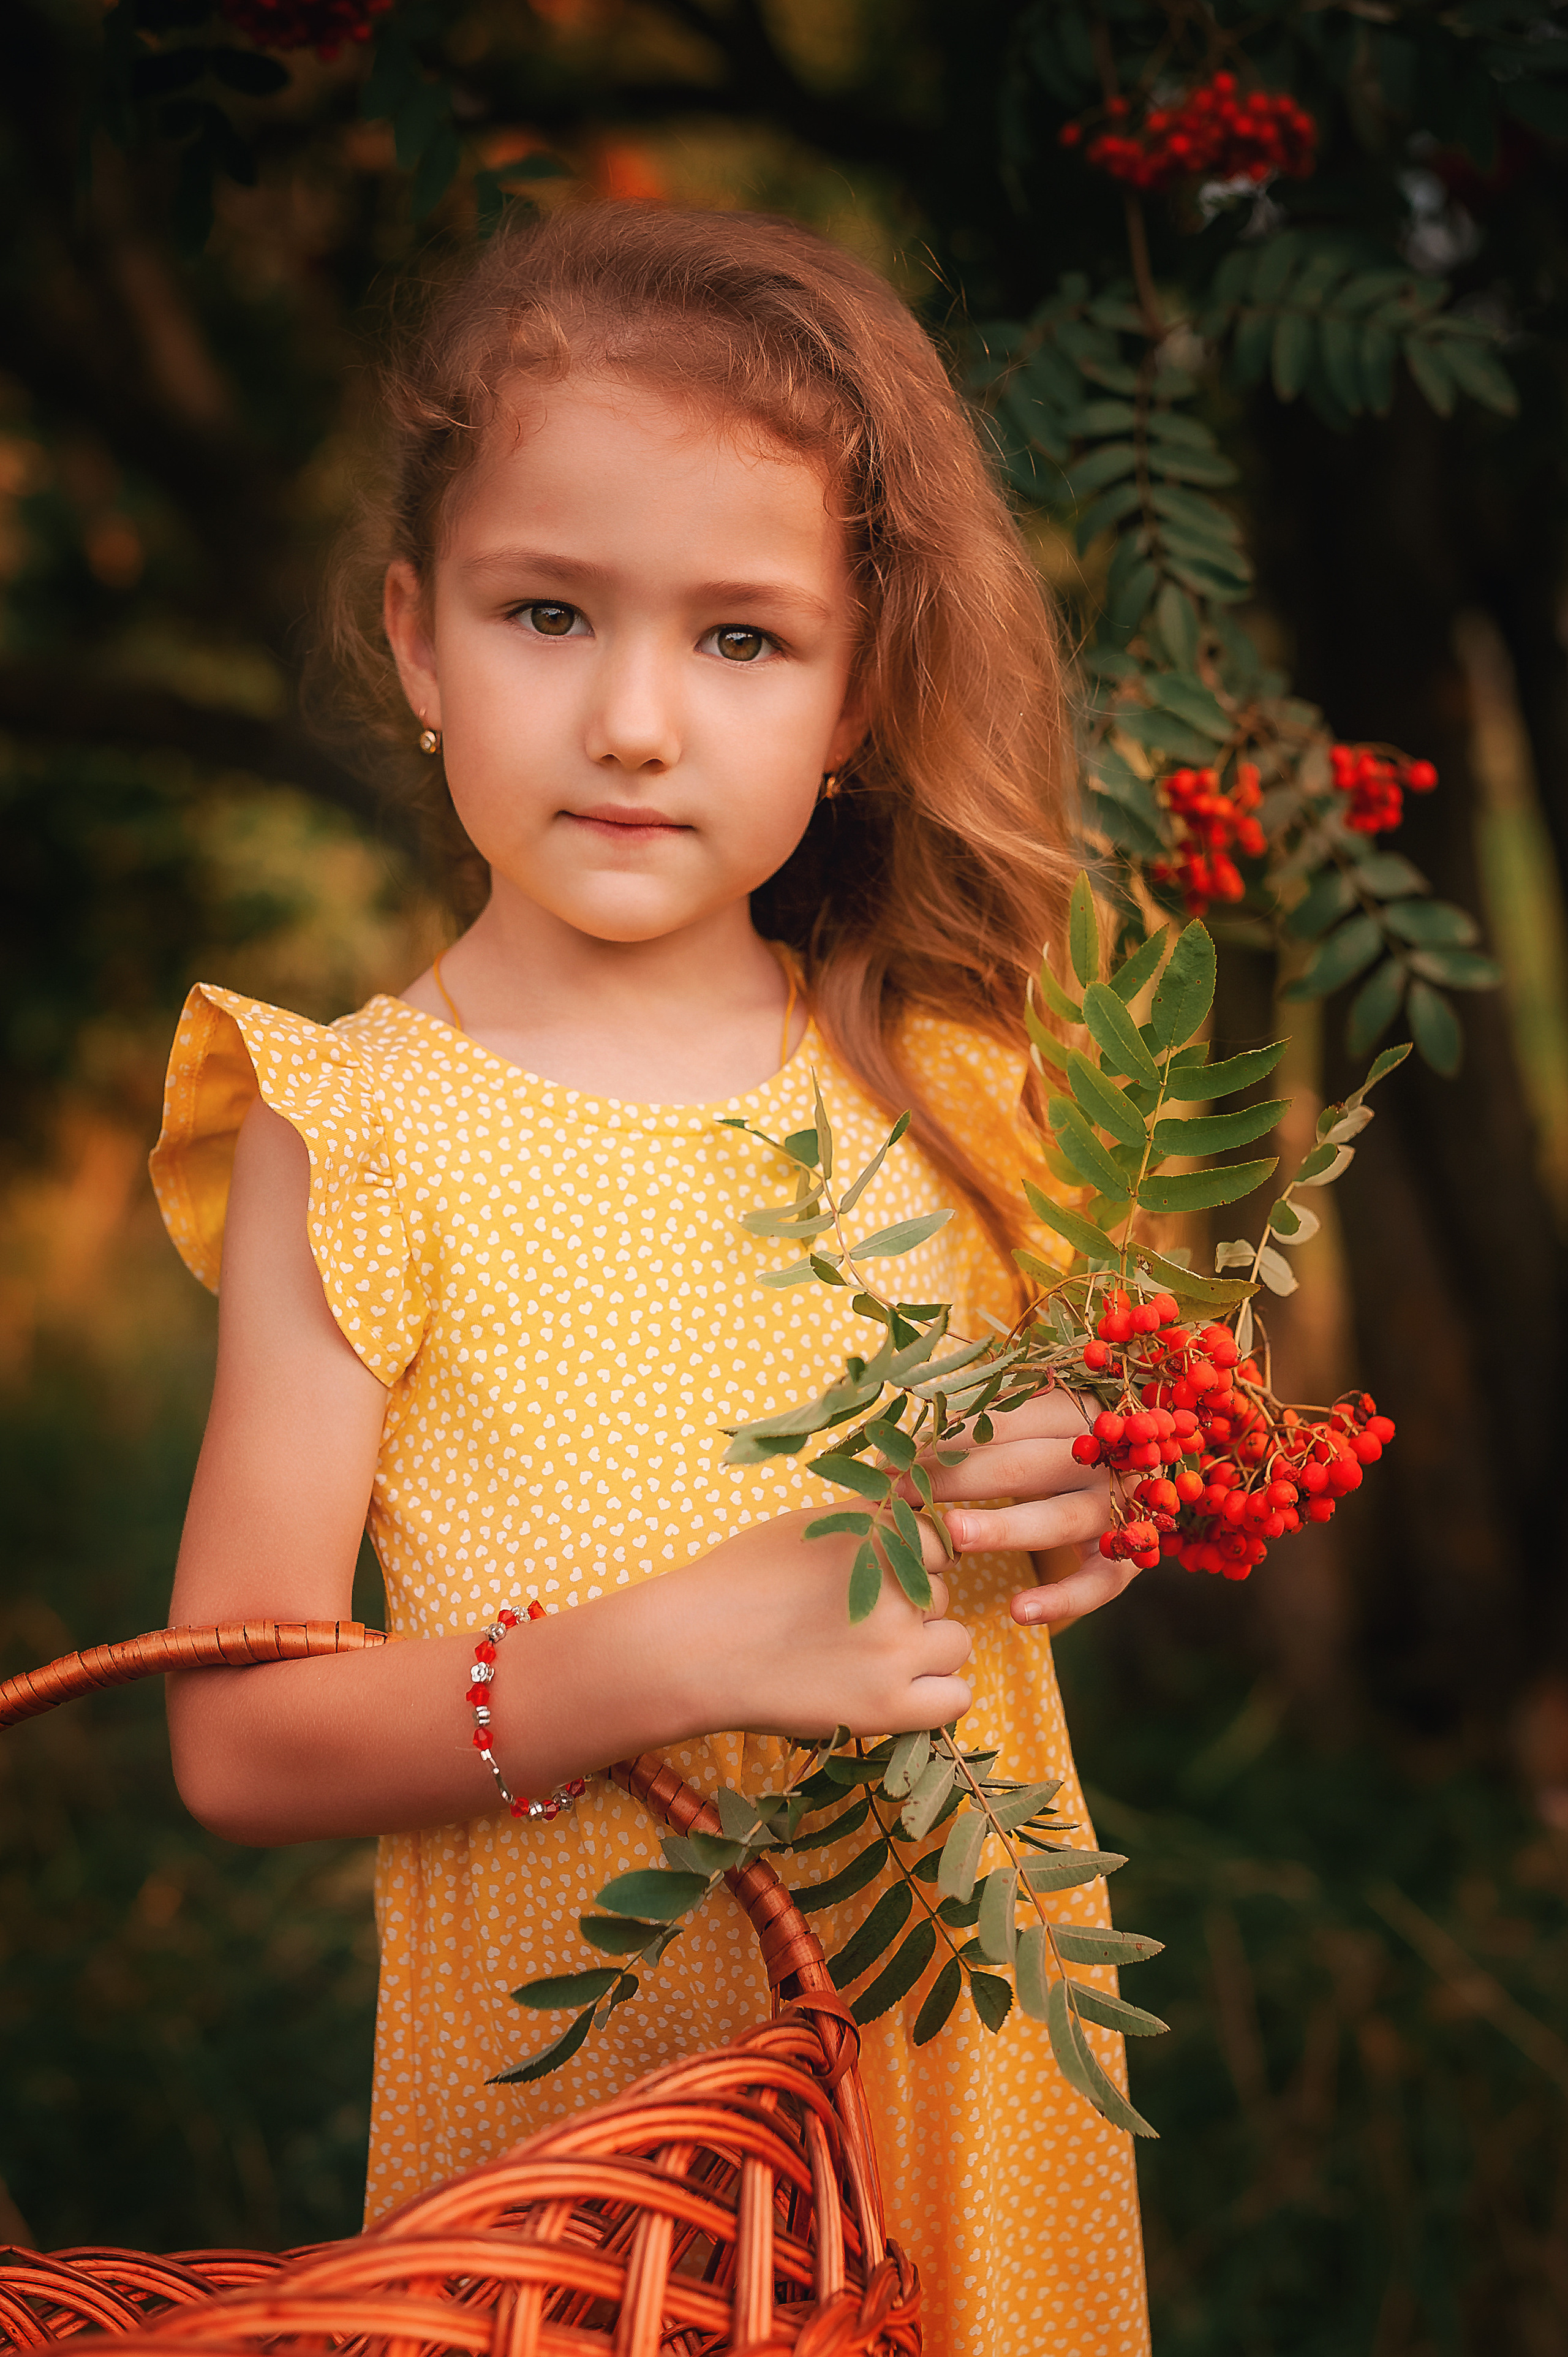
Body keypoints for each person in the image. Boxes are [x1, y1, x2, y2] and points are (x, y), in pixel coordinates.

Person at [151, 202, 1151, 2354]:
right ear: (420, 641)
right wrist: (669, 1654)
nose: (630, 720)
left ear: (859, 692)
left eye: (743, 641)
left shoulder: (965, 1084)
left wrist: (1097, 1494)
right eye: (547, 613)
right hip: (588, 2184)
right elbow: (237, 1739)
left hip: (961, 2078)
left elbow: (1099, 1477)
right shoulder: (359, 1128)